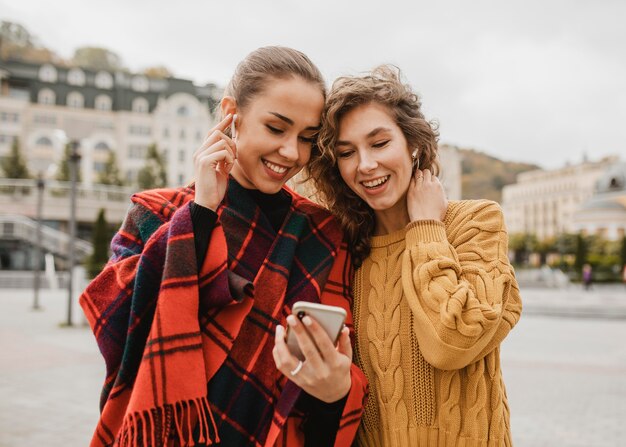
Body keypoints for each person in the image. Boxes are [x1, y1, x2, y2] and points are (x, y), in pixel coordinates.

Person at [80, 46, 367, 447]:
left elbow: (341, 364)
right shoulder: (157, 212)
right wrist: (200, 213)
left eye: (307, 137)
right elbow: (118, 325)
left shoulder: (323, 232)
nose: (291, 152)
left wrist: (337, 388)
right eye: (276, 128)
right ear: (232, 113)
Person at [307, 65, 523, 446]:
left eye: (379, 143)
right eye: (347, 152)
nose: (366, 164)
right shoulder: (344, 250)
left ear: (413, 143)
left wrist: (425, 228)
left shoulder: (476, 221)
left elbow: (453, 341)